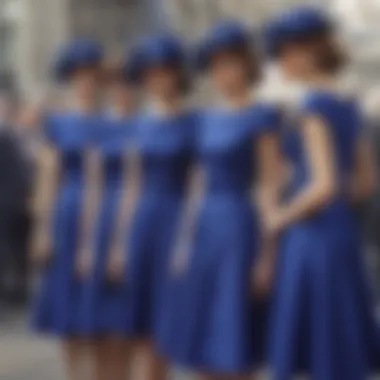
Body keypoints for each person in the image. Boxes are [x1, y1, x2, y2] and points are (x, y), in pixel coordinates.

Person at [263, 7, 380, 379]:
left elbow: (324, 185)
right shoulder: (348, 103)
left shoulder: (312, 107)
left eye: (282, 52)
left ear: (305, 52)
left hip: (312, 239)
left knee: (315, 350)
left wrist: (279, 217)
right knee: (337, 345)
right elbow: (365, 182)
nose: (280, 61)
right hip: (342, 236)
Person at [164, 21, 282, 379]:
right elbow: (195, 184)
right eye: (215, 65)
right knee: (202, 344)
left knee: (235, 341)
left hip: (239, 227)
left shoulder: (262, 117)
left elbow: (269, 185)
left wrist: (267, 253)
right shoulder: (203, 120)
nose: (224, 72)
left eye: (231, 62)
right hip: (204, 230)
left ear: (248, 65)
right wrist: (182, 244)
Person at [122, 34, 196, 380]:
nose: (158, 80)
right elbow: (131, 185)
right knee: (143, 325)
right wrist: (120, 241)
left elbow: (198, 184)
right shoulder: (138, 125)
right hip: (144, 223)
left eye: (165, 72)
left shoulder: (194, 123)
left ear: (177, 76)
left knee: (172, 319)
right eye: (151, 74)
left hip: (177, 220)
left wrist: (188, 236)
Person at [31, 38, 104, 380]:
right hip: (68, 215)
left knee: (100, 307)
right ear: (72, 80)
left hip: (104, 216)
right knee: (67, 308)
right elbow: (49, 176)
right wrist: (43, 229)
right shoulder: (59, 123)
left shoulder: (111, 121)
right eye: (80, 76)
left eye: (92, 76)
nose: (86, 82)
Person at [80, 62, 136, 380]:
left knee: (128, 325)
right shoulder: (99, 129)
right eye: (116, 85)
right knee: (99, 327)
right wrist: (87, 245)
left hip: (135, 223)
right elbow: (93, 186)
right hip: (103, 223)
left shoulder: (143, 126)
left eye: (127, 85)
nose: (122, 92)